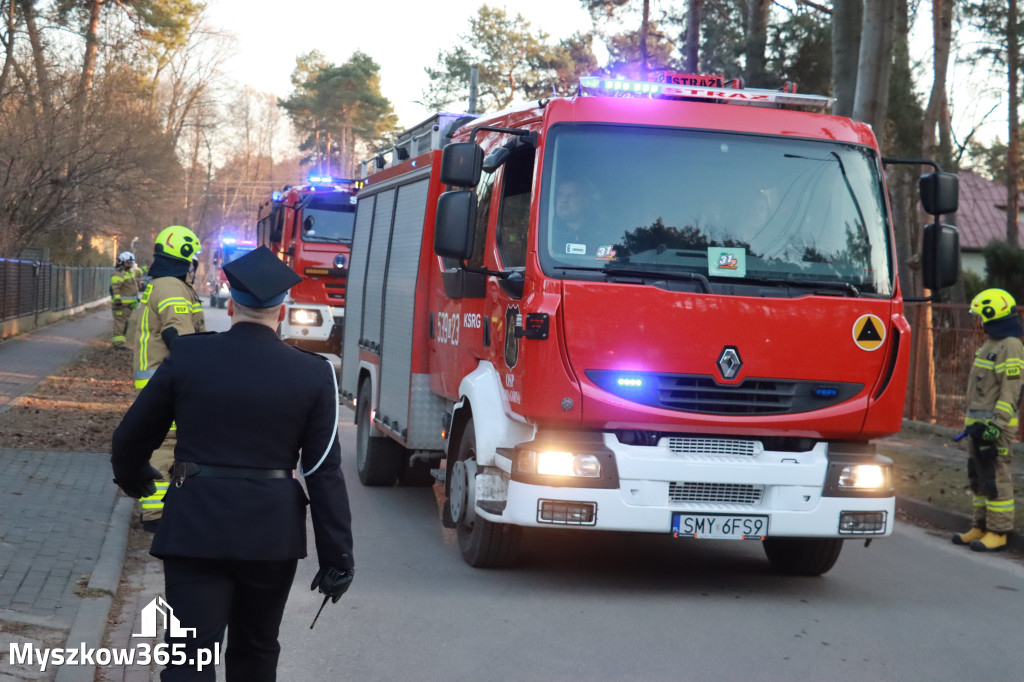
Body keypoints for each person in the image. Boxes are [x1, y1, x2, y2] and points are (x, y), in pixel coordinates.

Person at [111, 245, 354, 681]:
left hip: (194, 527)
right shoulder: (313, 373)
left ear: (232, 300)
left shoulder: (189, 356)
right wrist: (337, 555)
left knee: (189, 656)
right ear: (282, 308)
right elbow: (322, 470)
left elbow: (132, 434)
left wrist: (134, 478)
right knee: (257, 649)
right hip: (270, 535)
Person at [127, 225, 206, 531]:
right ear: (185, 255)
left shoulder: (162, 283)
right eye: (193, 256)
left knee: (163, 442)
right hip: (166, 381)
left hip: (157, 381)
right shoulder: (172, 287)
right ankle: (157, 514)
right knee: (166, 443)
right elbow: (177, 333)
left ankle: (160, 508)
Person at [951, 288, 1023, 552]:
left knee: (996, 479)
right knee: (978, 477)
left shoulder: (1011, 346)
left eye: (980, 316)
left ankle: (998, 531)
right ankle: (980, 526)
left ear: (992, 316)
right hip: (977, 426)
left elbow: (1011, 390)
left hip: (995, 428)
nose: (977, 321)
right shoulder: (990, 344)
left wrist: (998, 423)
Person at [109, 251, 140, 349]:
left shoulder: (130, 273)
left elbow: (138, 272)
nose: (129, 265)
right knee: (120, 324)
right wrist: (118, 301)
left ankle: (121, 343)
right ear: (121, 262)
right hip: (120, 306)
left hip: (127, 306)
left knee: (125, 324)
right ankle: (118, 345)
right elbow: (115, 288)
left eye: (131, 263)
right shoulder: (119, 274)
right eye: (127, 263)